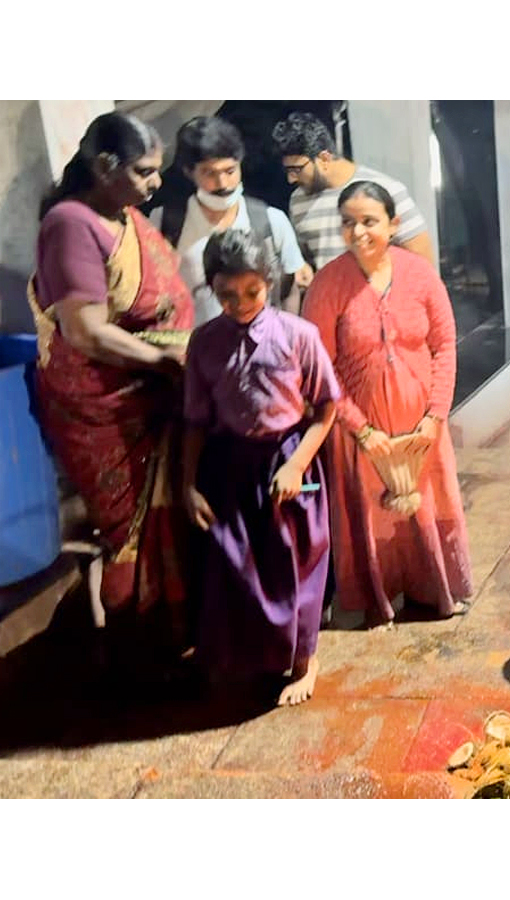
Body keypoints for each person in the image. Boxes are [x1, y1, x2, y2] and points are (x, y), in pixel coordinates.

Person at [26, 111, 195, 668]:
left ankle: (173, 629)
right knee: (129, 529)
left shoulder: (121, 215)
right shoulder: (71, 224)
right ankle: (135, 648)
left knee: (170, 515)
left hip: (150, 389)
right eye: (145, 172)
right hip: (107, 405)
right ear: (105, 166)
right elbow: (86, 331)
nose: (156, 184)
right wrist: (165, 361)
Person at [302, 181, 471, 625]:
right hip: (362, 430)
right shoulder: (328, 283)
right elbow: (321, 366)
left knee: (432, 506)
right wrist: (362, 428)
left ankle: (436, 589)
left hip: (422, 425)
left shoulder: (420, 274)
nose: (358, 232)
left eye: (369, 221)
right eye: (348, 223)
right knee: (373, 518)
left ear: (393, 224)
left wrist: (436, 414)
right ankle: (383, 595)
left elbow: (446, 344)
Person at [182, 230, 339, 706]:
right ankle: (256, 654)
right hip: (232, 465)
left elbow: (326, 409)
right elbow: (194, 420)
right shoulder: (204, 344)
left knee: (297, 566)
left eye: (252, 292)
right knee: (241, 566)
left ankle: (304, 660)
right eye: (226, 295)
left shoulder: (298, 336)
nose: (240, 304)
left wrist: (295, 465)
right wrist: (187, 484)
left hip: (290, 460)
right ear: (211, 288)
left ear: (269, 282)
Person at [151, 116, 307, 323]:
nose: (222, 183)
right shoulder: (165, 222)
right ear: (189, 172)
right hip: (195, 347)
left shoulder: (271, 221)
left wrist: (284, 339)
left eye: (230, 171)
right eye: (209, 173)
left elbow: (290, 289)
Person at [271, 112, 434, 273]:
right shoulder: (298, 201)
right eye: (287, 170)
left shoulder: (386, 189)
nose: (291, 179)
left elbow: (423, 266)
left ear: (325, 159)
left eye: (297, 169)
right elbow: (306, 263)